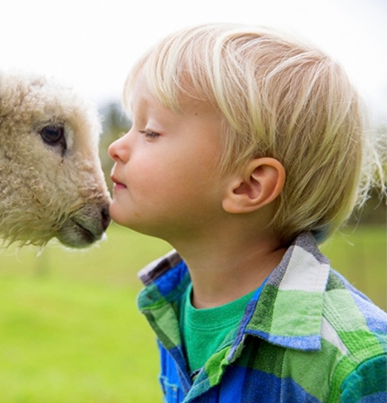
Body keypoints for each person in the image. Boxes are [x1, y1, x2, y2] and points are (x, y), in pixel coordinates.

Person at [108, 23, 386, 402]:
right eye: (131, 125)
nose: (116, 147)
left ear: (248, 186)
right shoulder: (178, 305)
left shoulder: (360, 366)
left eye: (151, 132)